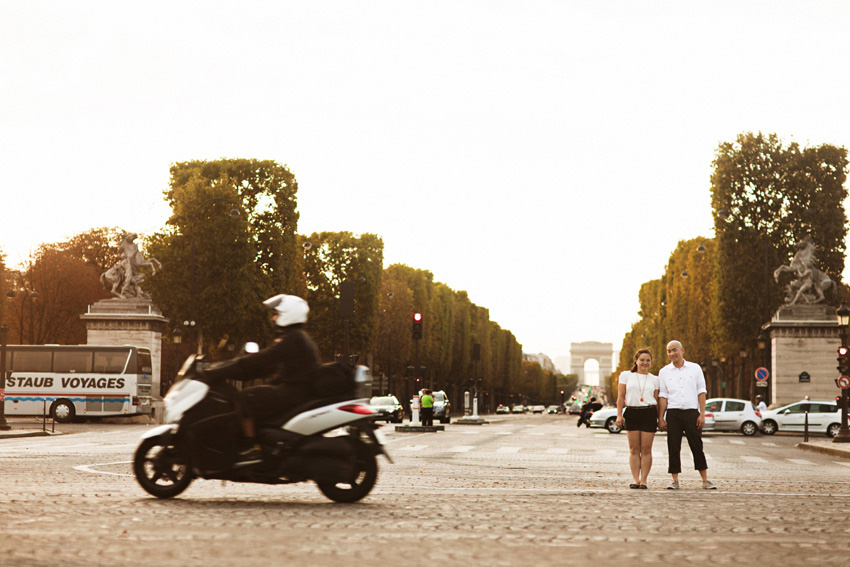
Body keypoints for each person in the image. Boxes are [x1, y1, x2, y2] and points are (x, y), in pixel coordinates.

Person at [201, 294, 322, 465]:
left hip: (293, 392)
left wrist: (226, 367)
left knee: (243, 398)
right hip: (296, 390)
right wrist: (233, 372)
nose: (273, 318)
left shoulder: (293, 338)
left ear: (289, 314)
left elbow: (263, 358)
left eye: (277, 314)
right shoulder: (297, 337)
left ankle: (251, 449)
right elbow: (266, 368)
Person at [658, 340, 716, 490]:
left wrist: (702, 414)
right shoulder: (663, 372)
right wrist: (661, 417)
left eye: (674, 350)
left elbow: (701, 392)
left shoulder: (695, 369)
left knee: (697, 446)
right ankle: (675, 480)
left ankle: (705, 480)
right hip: (673, 413)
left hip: (691, 412)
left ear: (682, 350)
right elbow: (663, 396)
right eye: (669, 351)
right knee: (673, 447)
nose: (672, 353)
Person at [615, 348, 659, 489]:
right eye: (642, 360)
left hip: (649, 413)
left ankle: (644, 480)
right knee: (634, 449)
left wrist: (660, 418)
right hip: (632, 412)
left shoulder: (655, 379)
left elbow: (657, 399)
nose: (645, 363)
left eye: (648, 360)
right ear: (636, 361)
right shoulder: (625, 375)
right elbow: (621, 396)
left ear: (651, 363)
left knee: (646, 449)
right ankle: (635, 479)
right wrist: (619, 415)